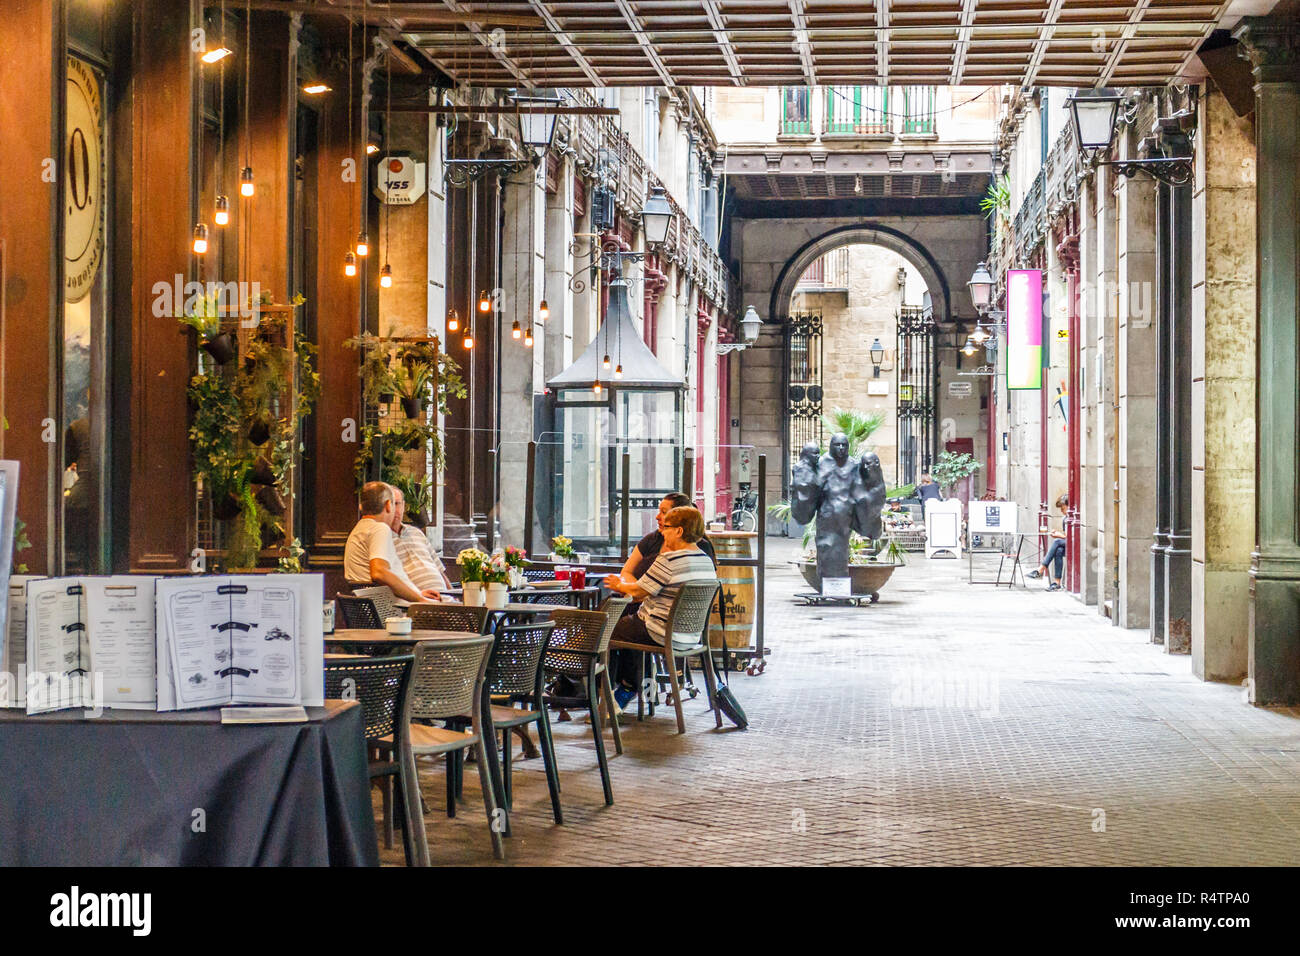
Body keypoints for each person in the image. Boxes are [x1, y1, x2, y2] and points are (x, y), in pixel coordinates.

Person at [603, 506, 719, 710]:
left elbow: (639, 592)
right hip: (690, 637)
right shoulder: (706, 561)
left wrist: (618, 585)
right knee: (623, 628)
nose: (662, 532)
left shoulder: (669, 560)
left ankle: (605, 700)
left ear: (679, 531)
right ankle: (628, 690)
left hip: (659, 631)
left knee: (601, 632)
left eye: (666, 527)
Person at [343, 481, 441, 603]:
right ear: (389, 505)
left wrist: (417, 593)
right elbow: (379, 573)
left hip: (378, 610)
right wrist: (420, 599)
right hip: (398, 614)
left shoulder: (358, 530)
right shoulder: (379, 528)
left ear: (361, 506)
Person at [617, 492, 716, 582]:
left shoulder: (697, 549)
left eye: (664, 512)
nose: (657, 517)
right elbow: (626, 572)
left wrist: (635, 592)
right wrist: (633, 591)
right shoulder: (652, 539)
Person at [388, 485, 449, 597]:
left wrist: (454, 597)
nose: (394, 510)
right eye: (390, 504)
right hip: (416, 601)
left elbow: (440, 571)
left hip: (444, 597)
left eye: (397, 504)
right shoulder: (382, 538)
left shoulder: (416, 532)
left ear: (404, 506)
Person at [1027, 494, 1070, 590]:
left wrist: (1059, 535)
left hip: (1076, 544)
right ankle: (1057, 582)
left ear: (1069, 506)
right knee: (1058, 550)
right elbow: (1067, 536)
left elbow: (1071, 538)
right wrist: (1060, 535)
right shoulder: (1064, 519)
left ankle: (1041, 569)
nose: (1062, 511)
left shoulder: (1071, 519)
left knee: (1057, 541)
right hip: (1068, 544)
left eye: (1063, 508)